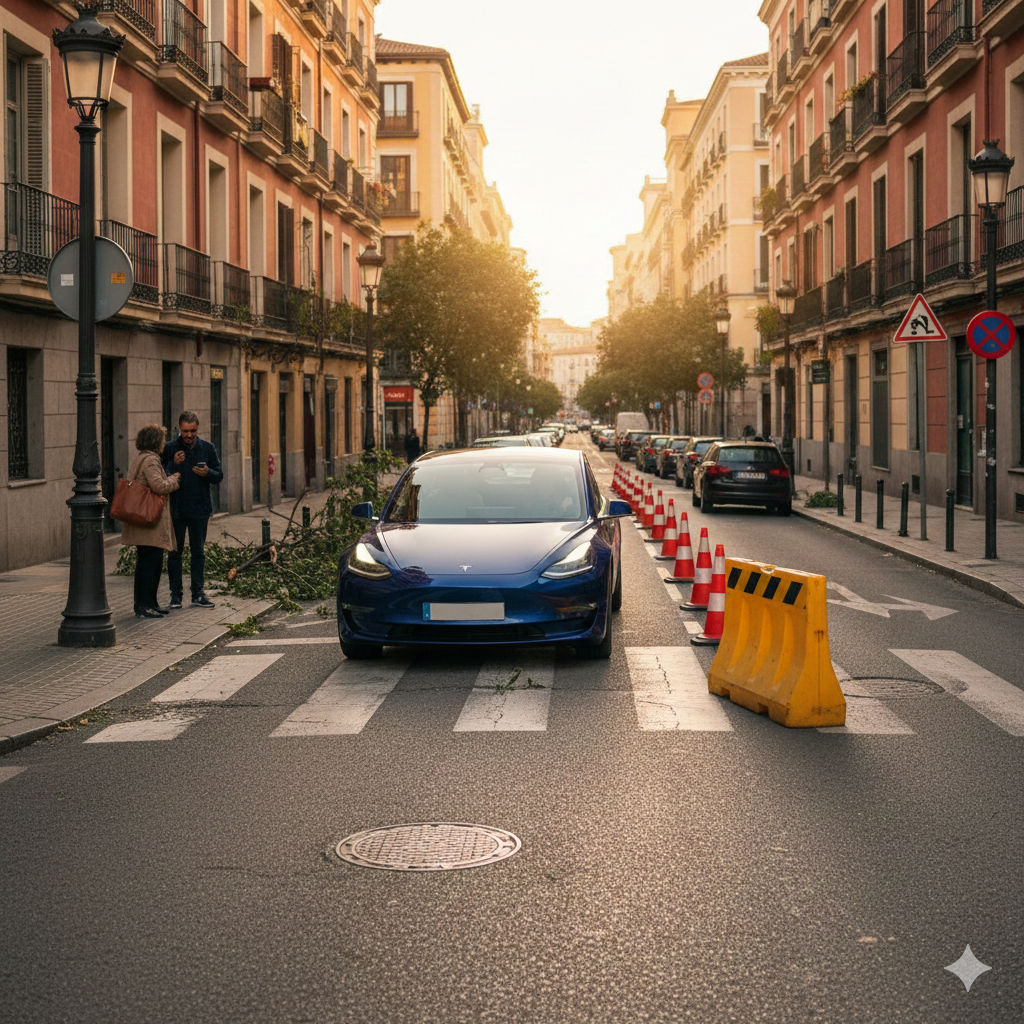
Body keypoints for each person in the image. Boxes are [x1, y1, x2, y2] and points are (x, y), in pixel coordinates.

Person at [162, 411, 224, 609]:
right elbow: (160, 474)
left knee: (198, 552)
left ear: (198, 429)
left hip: (200, 507)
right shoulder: (170, 448)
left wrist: (208, 473)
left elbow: (219, 475)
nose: (189, 435)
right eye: (185, 431)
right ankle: (176, 596)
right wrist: (174, 463)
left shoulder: (207, 448)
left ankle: (198, 594)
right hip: (177, 508)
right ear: (179, 429)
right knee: (175, 552)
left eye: (193, 431)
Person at [121, 425, 181, 618]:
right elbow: (158, 486)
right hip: (150, 522)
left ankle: (148, 603)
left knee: (146, 563)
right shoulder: (151, 461)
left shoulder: (141, 458)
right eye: (162, 439)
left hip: (143, 522)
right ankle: (145, 605)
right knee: (151, 564)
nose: (164, 443)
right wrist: (174, 479)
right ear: (156, 442)